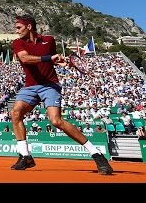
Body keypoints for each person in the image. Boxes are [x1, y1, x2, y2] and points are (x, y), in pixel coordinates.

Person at [10, 13, 113, 175]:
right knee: (15, 112)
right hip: (30, 86)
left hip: (50, 85)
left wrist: (59, 61)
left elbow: (50, 59)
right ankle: (25, 156)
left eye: (19, 27)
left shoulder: (49, 40)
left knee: (56, 120)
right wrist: (50, 58)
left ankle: (97, 154)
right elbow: (26, 59)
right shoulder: (17, 43)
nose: (16, 31)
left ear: (29, 27)